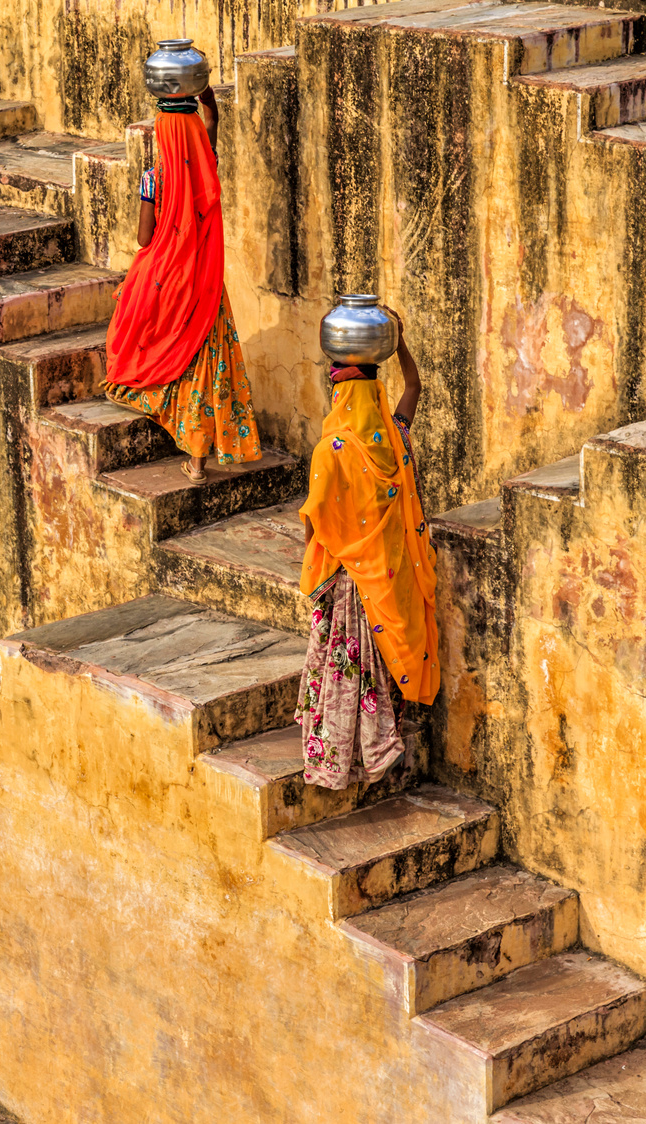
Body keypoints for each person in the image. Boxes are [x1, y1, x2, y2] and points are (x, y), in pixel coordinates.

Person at [294, 318, 438, 790]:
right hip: (391, 578)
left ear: (339, 399)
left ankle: (357, 756)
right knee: (379, 667)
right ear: (375, 397)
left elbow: (316, 523)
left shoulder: (331, 450)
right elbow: (414, 384)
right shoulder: (395, 437)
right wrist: (398, 344)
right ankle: (381, 746)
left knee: (347, 673)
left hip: (348, 582)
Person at [104, 87, 261, 482]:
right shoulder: (205, 164)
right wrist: (207, 100)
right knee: (206, 358)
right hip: (203, 278)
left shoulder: (155, 178)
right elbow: (212, 123)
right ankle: (198, 461)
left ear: (161, 135)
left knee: (149, 330)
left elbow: (144, 238)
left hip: (166, 278)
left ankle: (156, 398)